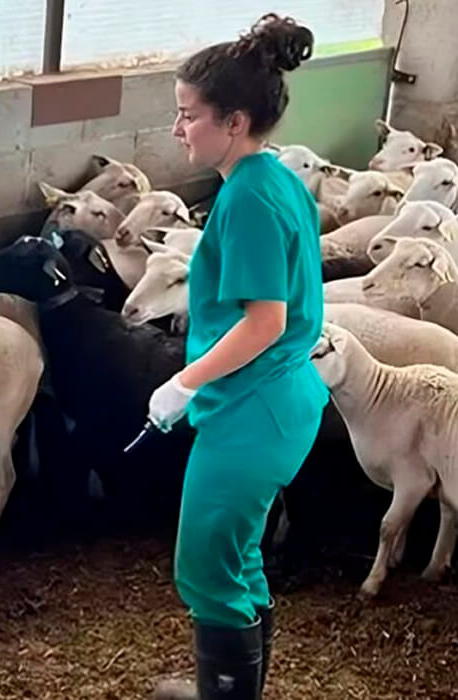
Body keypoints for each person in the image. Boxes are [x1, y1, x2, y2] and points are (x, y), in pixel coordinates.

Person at [142, 14, 327, 700]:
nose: (177, 128)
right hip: (277, 400)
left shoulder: (248, 196)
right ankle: (233, 689)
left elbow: (265, 321)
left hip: (254, 408)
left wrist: (182, 382)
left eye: (188, 115)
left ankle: (224, 691)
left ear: (235, 120)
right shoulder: (272, 177)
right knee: (238, 553)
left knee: (205, 569)